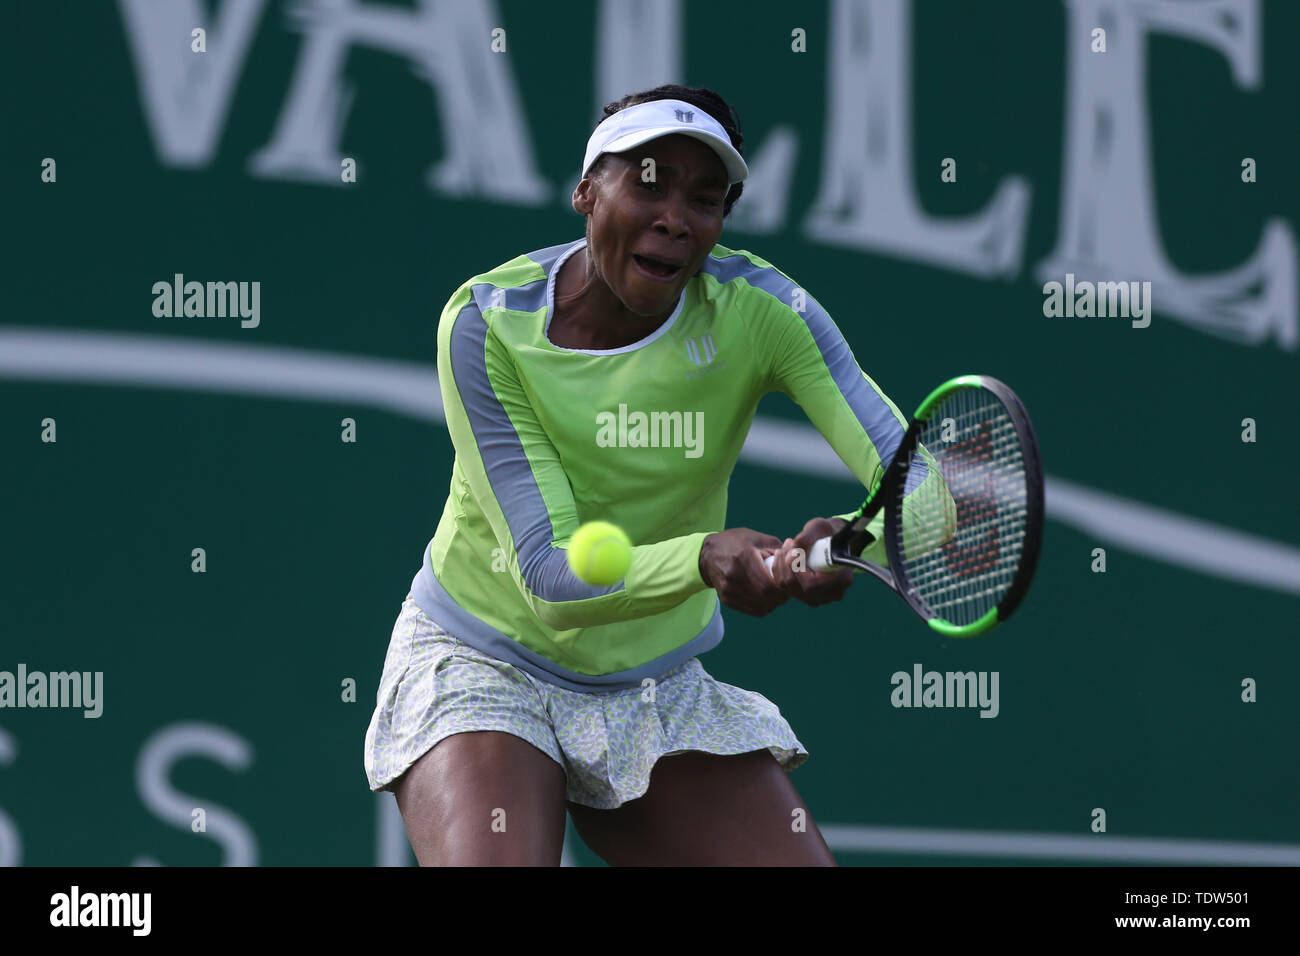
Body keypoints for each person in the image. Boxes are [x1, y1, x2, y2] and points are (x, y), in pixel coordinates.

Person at [364, 84, 920, 866]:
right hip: (483, 658)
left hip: (654, 685)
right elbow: (552, 577)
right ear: (587, 191)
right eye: (649, 181)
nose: (674, 217)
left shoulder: (765, 312)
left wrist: (858, 539)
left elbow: (921, 491)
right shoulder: (487, 322)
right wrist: (703, 557)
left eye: (705, 198)